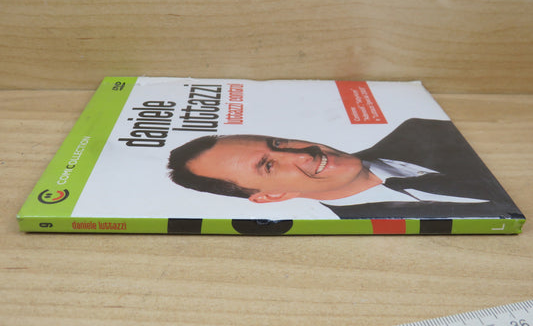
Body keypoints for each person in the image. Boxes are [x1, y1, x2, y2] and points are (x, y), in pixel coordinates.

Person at [167, 118, 522, 219]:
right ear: (272, 196)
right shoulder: (362, 234)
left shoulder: (425, 130)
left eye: (279, 143)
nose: (303, 154)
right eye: (269, 165)